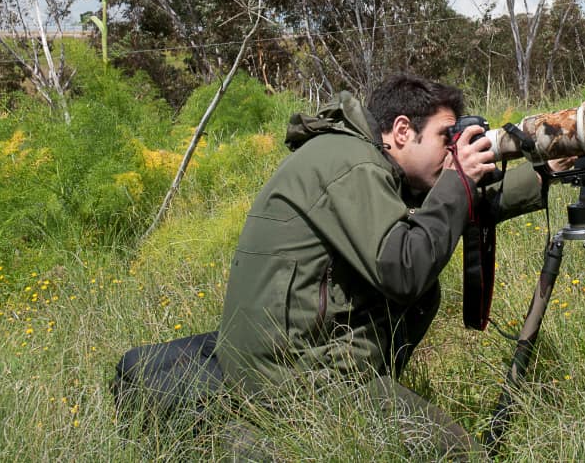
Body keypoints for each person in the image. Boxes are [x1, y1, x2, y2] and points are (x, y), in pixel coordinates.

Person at [217, 73, 551, 455]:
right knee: (460, 453)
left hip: (271, 368)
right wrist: (458, 177)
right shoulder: (353, 165)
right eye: (447, 138)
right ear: (403, 130)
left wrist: (543, 175)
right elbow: (404, 268)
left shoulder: (349, 154)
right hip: (299, 383)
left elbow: (436, 209)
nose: (452, 150)